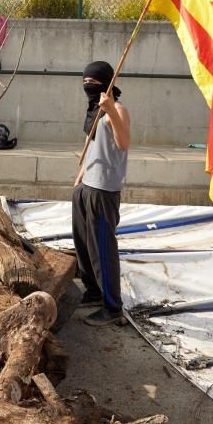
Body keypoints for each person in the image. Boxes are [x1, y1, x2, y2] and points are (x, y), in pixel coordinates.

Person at [73, 61, 130, 327]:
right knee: (83, 242)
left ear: (107, 83)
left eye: (94, 82)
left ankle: (112, 306)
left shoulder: (116, 109)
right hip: (86, 186)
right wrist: (81, 174)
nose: (88, 86)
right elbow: (90, 142)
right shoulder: (93, 110)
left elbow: (124, 142)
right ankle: (93, 290)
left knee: (103, 248)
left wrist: (110, 111)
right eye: (85, 81)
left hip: (104, 189)